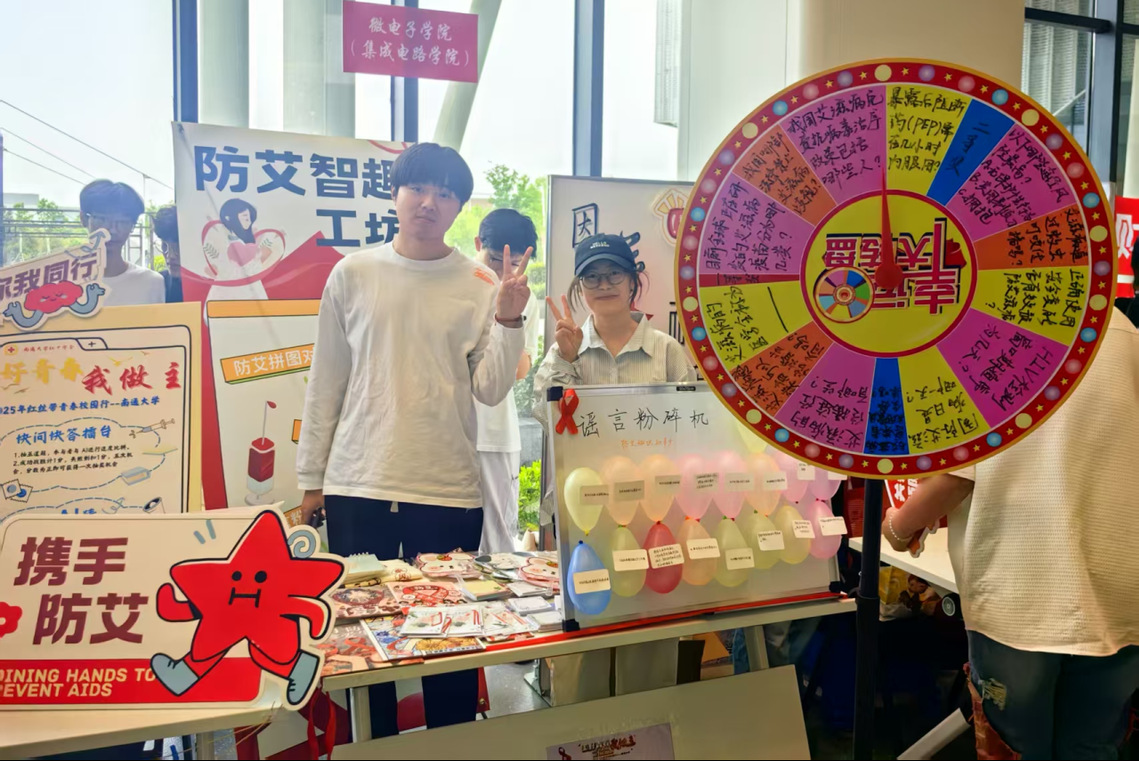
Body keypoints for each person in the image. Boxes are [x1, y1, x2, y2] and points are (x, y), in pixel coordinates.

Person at [296, 143, 530, 736]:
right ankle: (375, 746)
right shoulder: (353, 273)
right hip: (358, 482)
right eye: (417, 188)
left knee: (449, 639)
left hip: (446, 485)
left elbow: (490, 390)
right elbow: (327, 380)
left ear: (458, 206)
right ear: (395, 194)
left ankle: (452, 746)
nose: (428, 202)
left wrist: (509, 319)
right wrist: (311, 479)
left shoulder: (480, 282)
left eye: (445, 192)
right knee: (365, 641)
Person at [881, 306, 1139, 760]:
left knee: (1015, 748)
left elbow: (956, 477)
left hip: (1018, 595)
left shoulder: (990, 335)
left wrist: (898, 527)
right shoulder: (1128, 335)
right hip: (1122, 592)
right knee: (1094, 746)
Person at [532, 232, 695, 702]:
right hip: (583, 513)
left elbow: (690, 424)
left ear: (633, 282)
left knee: (649, 626)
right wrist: (567, 361)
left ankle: (648, 730)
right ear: (580, 288)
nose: (603, 285)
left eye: (614, 274)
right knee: (583, 630)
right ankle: (579, 730)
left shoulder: (665, 349)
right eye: (592, 277)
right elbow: (546, 416)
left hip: (652, 510)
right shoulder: (567, 347)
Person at [473, 208, 542, 554]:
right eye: (494, 260)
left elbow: (520, 370)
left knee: (496, 543)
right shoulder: (455, 288)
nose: (504, 271)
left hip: (496, 432)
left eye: (514, 262)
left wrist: (509, 318)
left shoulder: (526, 298)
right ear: (477, 245)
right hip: (447, 435)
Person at [79, 180, 165, 306]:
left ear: (132, 226)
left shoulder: (151, 282)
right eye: (102, 219)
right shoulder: (60, 284)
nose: (112, 230)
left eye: (123, 222)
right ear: (84, 219)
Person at [152, 205, 183, 303]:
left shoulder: (215, 288)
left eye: (178, 247)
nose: (171, 256)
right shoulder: (155, 284)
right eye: (165, 246)